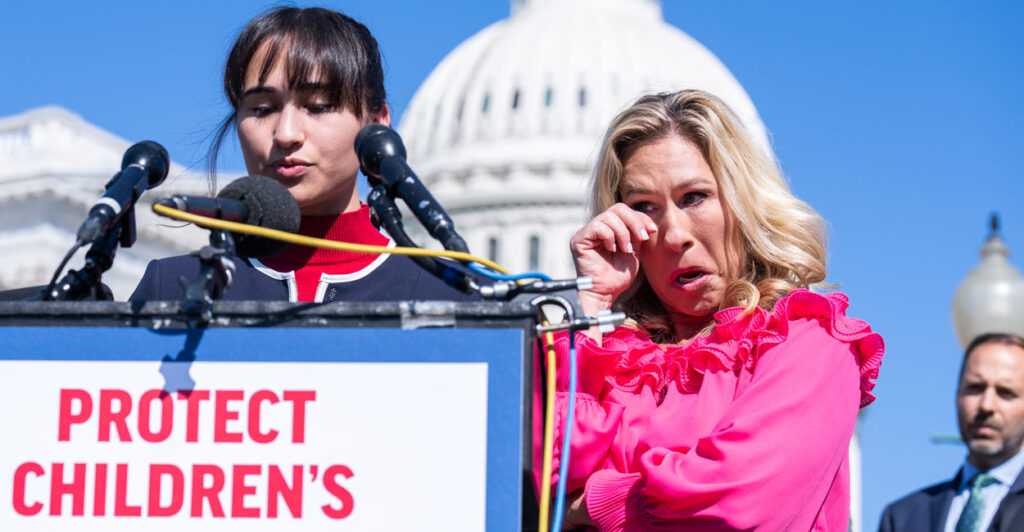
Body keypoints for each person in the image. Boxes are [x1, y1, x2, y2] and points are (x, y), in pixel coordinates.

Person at [534, 89, 884, 531]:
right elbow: (541, 475)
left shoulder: (809, 341)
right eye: (644, 208)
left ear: (742, 202)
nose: (673, 234)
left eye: (694, 197)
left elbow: (735, 508)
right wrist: (592, 304)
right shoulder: (613, 357)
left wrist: (597, 504)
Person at [131, 6, 471, 302]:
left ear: (377, 124)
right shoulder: (173, 288)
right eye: (262, 109)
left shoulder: (451, 294)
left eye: (318, 106)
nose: (286, 134)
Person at [879, 333, 1024, 532]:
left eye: (1006, 392)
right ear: (957, 394)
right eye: (975, 388)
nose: (986, 405)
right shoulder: (902, 518)